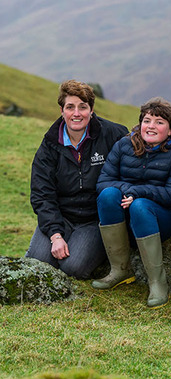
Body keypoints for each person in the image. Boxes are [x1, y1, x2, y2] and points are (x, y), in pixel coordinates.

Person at [94, 98, 171, 308]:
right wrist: (128, 192)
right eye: (147, 120)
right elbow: (103, 181)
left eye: (159, 122)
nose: (151, 126)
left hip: (163, 216)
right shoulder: (124, 145)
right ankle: (120, 269)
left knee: (140, 205)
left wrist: (138, 193)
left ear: (170, 130)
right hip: (126, 210)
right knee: (108, 195)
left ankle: (157, 283)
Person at [26, 80, 128, 278]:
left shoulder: (113, 134)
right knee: (38, 263)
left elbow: (135, 164)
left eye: (83, 107)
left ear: (91, 110)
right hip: (61, 216)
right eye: (70, 107)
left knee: (73, 268)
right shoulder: (49, 145)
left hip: (94, 220)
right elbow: (42, 194)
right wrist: (55, 235)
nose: (76, 113)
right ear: (62, 110)